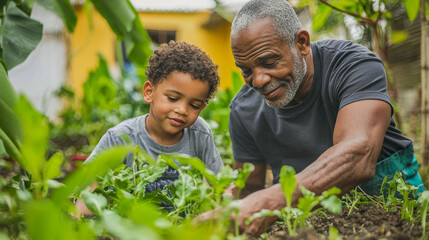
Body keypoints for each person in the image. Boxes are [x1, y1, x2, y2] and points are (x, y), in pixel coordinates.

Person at [200, 0, 425, 237]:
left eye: (268, 62)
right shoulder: (244, 108)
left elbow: (357, 154)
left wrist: (271, 201)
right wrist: (218, 205)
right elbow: (249, 188)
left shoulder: (352, 66)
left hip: (397, 217)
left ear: (302, 43)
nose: (258, 80)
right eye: (246, 70)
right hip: (306, 228)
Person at [77, 40, 224, 215]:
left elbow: (220, 185)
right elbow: (89, 189)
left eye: (194, 105)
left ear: (202, 108)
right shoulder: (120, 137)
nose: (182, 110)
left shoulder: (200, 133)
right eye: (172, 98)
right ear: (149, 92)